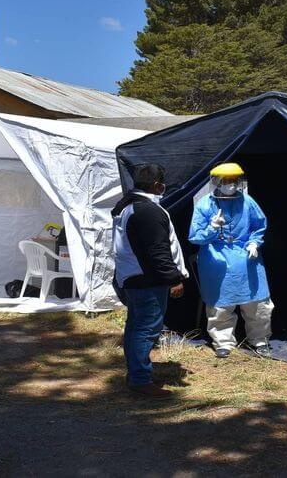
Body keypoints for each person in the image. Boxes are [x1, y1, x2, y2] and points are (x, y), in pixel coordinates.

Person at [112, 163, 188, 398]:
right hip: (146, 280)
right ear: (157, 185)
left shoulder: (130, 207)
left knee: (136, 328)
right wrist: (173, 278)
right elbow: (156, 251)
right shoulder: (146, 211)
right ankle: (140, 380)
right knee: (145, 330)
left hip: (134, 277)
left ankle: (136, 374)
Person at [189, 163, 273, 359]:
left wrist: (254, 243)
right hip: (217, 261)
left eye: (234, 181)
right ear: (217, 182)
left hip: (247, 259)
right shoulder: (204, 205)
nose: (231, 185)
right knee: (220, 304)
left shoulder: (247, 201)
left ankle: (259, 340)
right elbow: (195, 237)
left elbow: (259, 225)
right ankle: (223, 342)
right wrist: (212, 228)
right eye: (226, 181)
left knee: (258, 303)